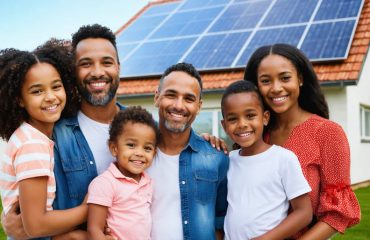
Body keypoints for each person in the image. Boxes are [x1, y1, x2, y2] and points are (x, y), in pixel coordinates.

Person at [244, 43, 361, 239]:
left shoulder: (328, 133)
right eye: (266, 81)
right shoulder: (255, 135)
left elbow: (337, 214)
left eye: (285, 78)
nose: (276, 88)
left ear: (300, 78)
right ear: (256, 86)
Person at [0, 40, 85, 239]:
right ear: (19, 99)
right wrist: (89, 208)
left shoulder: (30, 136)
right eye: (37, 91)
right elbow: (36, 226)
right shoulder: (32, 144)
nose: (50, 97)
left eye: (56, 86)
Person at [146, 62, 229, 240]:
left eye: (189, 99)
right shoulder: (134, 155)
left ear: (199, 107)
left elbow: (221, 221)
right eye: (171, 95)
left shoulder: (216, 157)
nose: (179, 105)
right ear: (156, 97)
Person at [220, 80, 312, 240]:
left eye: (250, 116)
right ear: (224, 125)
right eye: (233, 119)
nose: (242, 124)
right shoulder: (227, 160)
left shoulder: (283, 159)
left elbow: (304, 213)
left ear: (265, 118)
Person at [87, 106, 159, 240]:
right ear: (114, 148)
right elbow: (94, 230)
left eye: (147, 148)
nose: (139, 153)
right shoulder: (105, 183)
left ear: (154, 153)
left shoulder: (148, 182)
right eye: (131, 145)